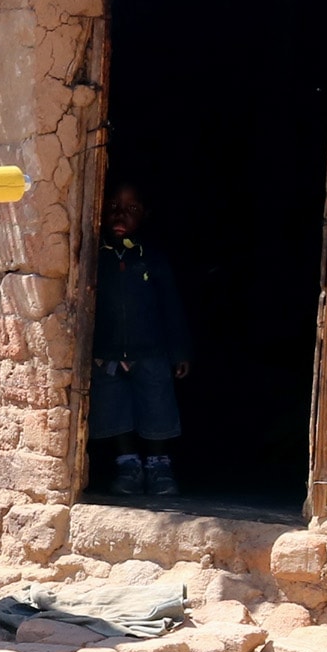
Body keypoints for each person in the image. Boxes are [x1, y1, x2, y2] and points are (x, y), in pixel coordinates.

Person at [88, 181, 191, 497]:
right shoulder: (94, 259)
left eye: (132, 209)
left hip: (151, 351)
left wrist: (179, 352)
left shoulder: (152, 259)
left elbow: (171, 307)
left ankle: (158, 466)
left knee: (155, 406)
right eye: (114, 207)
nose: (121, 215)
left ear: (145, 214)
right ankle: (128, 465)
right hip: (106, 353)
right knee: (116, 409)